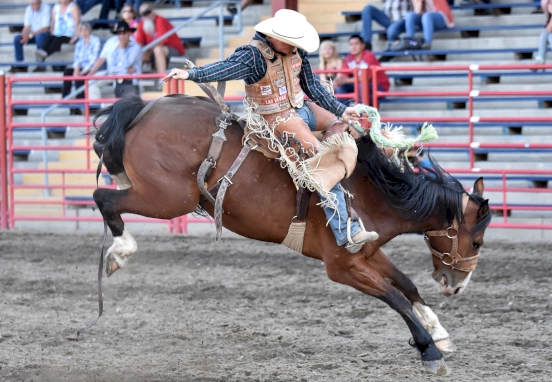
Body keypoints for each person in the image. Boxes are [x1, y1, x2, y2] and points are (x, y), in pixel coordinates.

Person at [163, 10, 379, 253]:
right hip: (275, 117)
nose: (295, 46)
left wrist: (341, 110)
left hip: (299, 108)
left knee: (345, 129)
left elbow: (312, 86)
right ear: (276, 37)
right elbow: (225, 68)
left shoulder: (295, 51)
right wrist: (192, 74)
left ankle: (355, 188)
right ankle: (345, 230)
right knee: (320, 160)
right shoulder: (252, 56)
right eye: (291, 41)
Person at [135, 4, 185, 90]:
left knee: (158, 50)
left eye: (148, 13)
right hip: (155, 50)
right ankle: (136, 80)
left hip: (172, 48)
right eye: (144, 14)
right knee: (137, 52)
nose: (147, 16)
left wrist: (148, 54)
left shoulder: (160, 20)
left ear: (153, 12)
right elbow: (139, 42)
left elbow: (160, 42)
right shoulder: (142, 23)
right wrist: (144, 53)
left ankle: (162, 79)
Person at [334, 35, 390, 103]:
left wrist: (345, 80)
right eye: (351, 44)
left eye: (356, 44)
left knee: (362, 85)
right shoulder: (349, 58)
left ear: (363, 45)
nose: (353, 47)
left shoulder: (369, 56)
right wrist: (338, 80)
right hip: (361, 85)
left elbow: (366, 78)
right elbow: (343, 74)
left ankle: (362, 112)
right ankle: (342, 112)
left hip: (379, 86)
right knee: (340, 87)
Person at [62, 22, 101, 114]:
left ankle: (79, 105)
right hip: (82, 68)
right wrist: (76, 70)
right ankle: (65, 98)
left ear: (89, 31)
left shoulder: (96, 41)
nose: (83, 32)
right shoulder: (79, 43)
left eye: (85, 30)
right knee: (68, 72)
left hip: (92, 69)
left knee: (80, 78)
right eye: (81, 30)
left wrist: (83, 72)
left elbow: (94, 59)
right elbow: (77, 59)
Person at [34, 0, 81, 67]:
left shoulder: (73, 7)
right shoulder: (55, 7)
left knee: (59, 39)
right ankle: (42, 51)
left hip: (69, 34)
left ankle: (45, 54)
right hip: (57, 33)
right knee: (51, 38)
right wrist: (52, 32)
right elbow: (53, 22)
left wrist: (76, 36)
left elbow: (77, 22)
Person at [11, 0, 51, 73]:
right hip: (33, 35)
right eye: (33, 4)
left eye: (37, 4)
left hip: (44, 35)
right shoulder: (29, 9)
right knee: (17, 39)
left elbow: (45, 28)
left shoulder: (46, 8)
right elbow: (27, 26)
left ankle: (41, 66)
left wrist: (30, 35)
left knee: (39, 37)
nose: (35, 6)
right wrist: (24, 35)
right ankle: (20, 65)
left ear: (40, 2)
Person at [106, 20, 142, 97]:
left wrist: (121, 49)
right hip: (118, 84)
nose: (122, 36)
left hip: (131, 83)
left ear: (129, 33)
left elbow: (126, 64)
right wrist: (126, 70)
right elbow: (110, 69)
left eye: (124, 33)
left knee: (131, 108)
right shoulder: (114, 49)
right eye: (119, 34)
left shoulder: (136, 48)